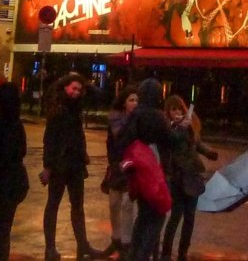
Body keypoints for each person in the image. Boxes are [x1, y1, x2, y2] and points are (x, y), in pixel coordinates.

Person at [42, 72, 100, 261]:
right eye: (73, 88)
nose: (76, 92)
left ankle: (83, 245)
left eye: (79, 89)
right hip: (60, 164)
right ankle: (50, 247)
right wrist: (48, 166)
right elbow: (50, 140)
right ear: (65, 87)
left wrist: (84, 81)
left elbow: (97, 95)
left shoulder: (76, 108)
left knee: (78, 206)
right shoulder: (57, 109)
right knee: (53, 205)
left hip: (75, 164)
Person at [121, 78, 175, 261]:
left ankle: (134, 254)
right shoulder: (157, 116)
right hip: (154, 170)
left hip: (137, 171)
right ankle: (143, 255)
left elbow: (122, 140)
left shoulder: (134, 115)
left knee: (143, 214)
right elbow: (170, 141)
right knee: (158, 214)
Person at [160, 95, 218, 261]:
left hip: (192, 175)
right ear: (168, 112)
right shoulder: (169, 128)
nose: (177, 112)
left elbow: (196, 143)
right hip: (178, 177)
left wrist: (209, 152)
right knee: (176, 215)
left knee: (190, 217)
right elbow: (170, 143)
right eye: (173, 109)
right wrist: (179, 127)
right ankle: (165, 252)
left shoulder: (189, 126)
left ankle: (183, 252)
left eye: (179, 108)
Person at [0, 83, 31, 261]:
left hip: (7, 186)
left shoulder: (7, 128)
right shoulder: (2, 125)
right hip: (7, 185)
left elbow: (2, 158)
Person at [100, 89, 140, 259]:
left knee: (127, 204)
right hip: (117, 165)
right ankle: (116, 239)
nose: (135, 103)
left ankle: (126, 242)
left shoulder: (139, 121)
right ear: (124, 102)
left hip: (132, 165)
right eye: (131, 100)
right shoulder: (115, 120)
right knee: (114, 203)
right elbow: (112, 141)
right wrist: (113, 163)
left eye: (137, 100)